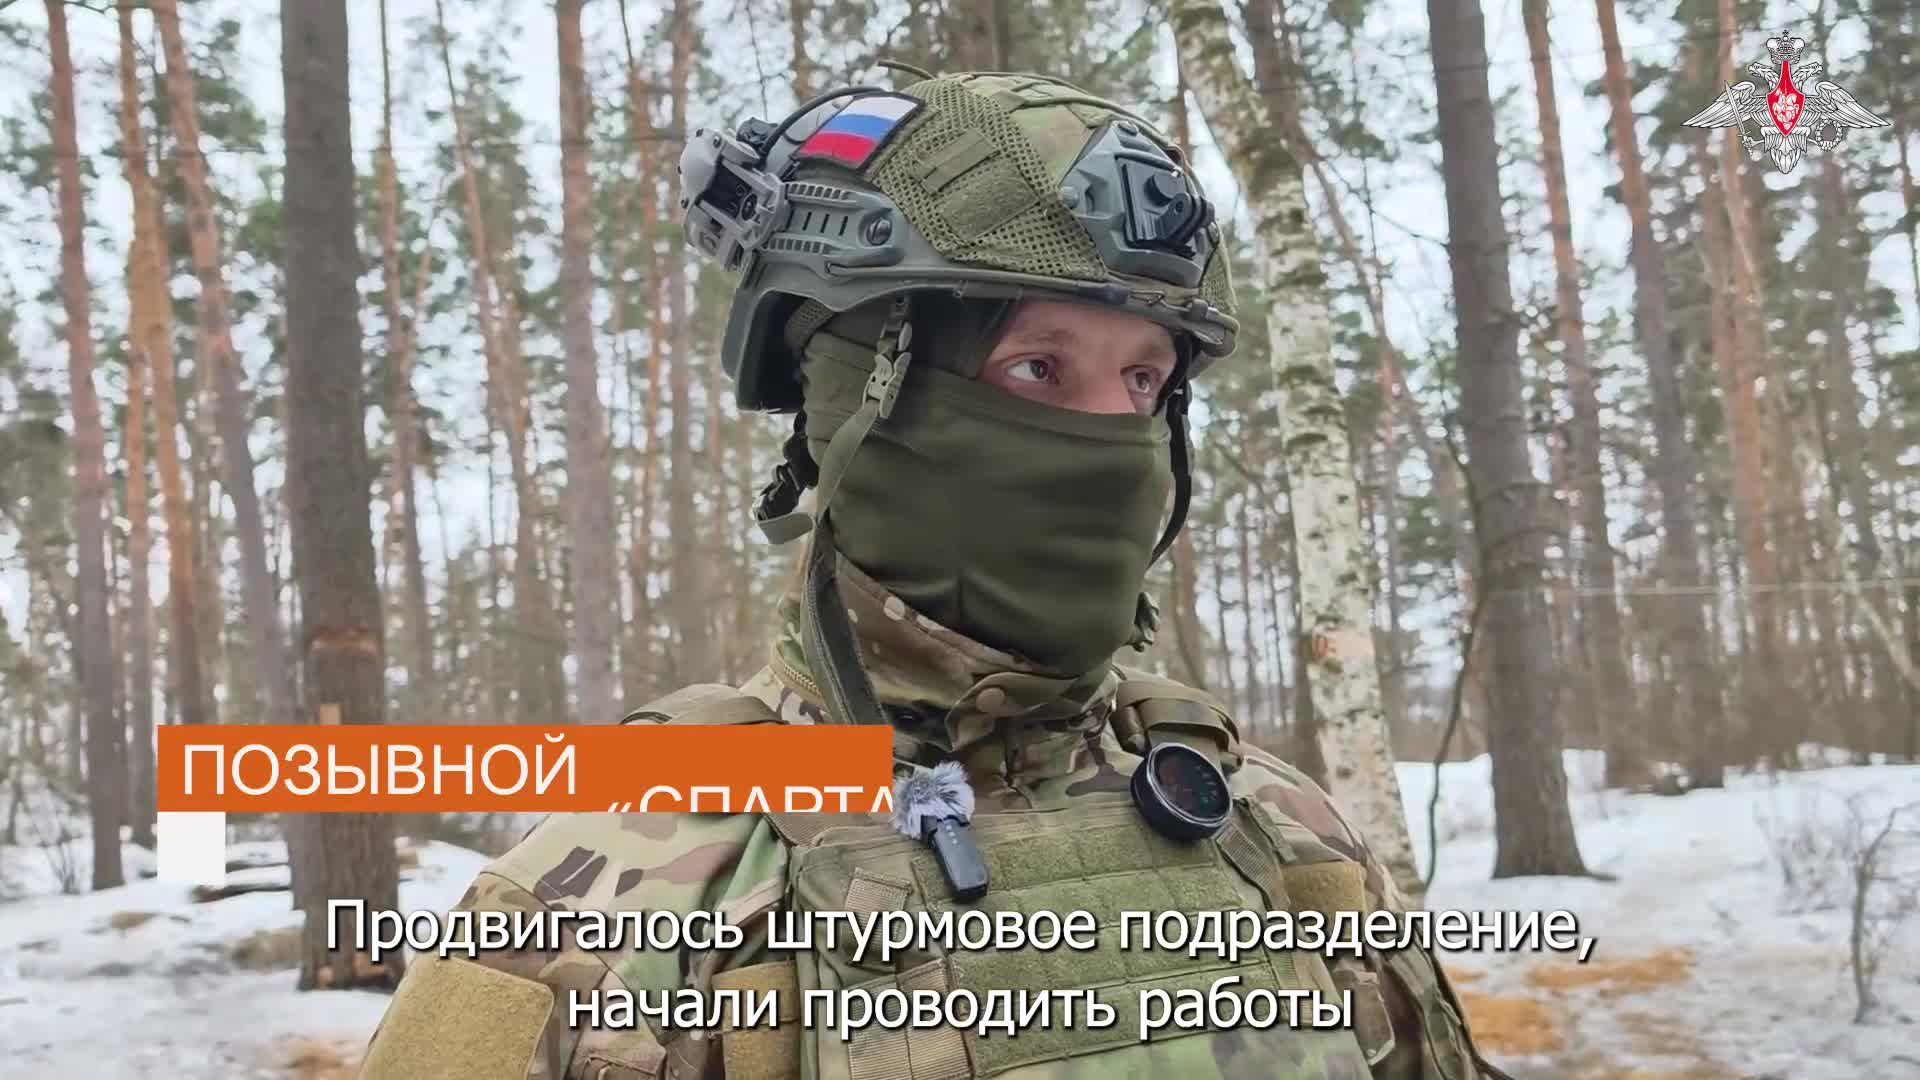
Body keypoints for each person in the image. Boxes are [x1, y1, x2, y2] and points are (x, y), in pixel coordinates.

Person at [360, 68, 1503, 1080]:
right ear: (858, 398)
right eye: (1039, 368)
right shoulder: (610, 901)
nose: (1112, 436)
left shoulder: (1272, 827)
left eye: (1144, 382)